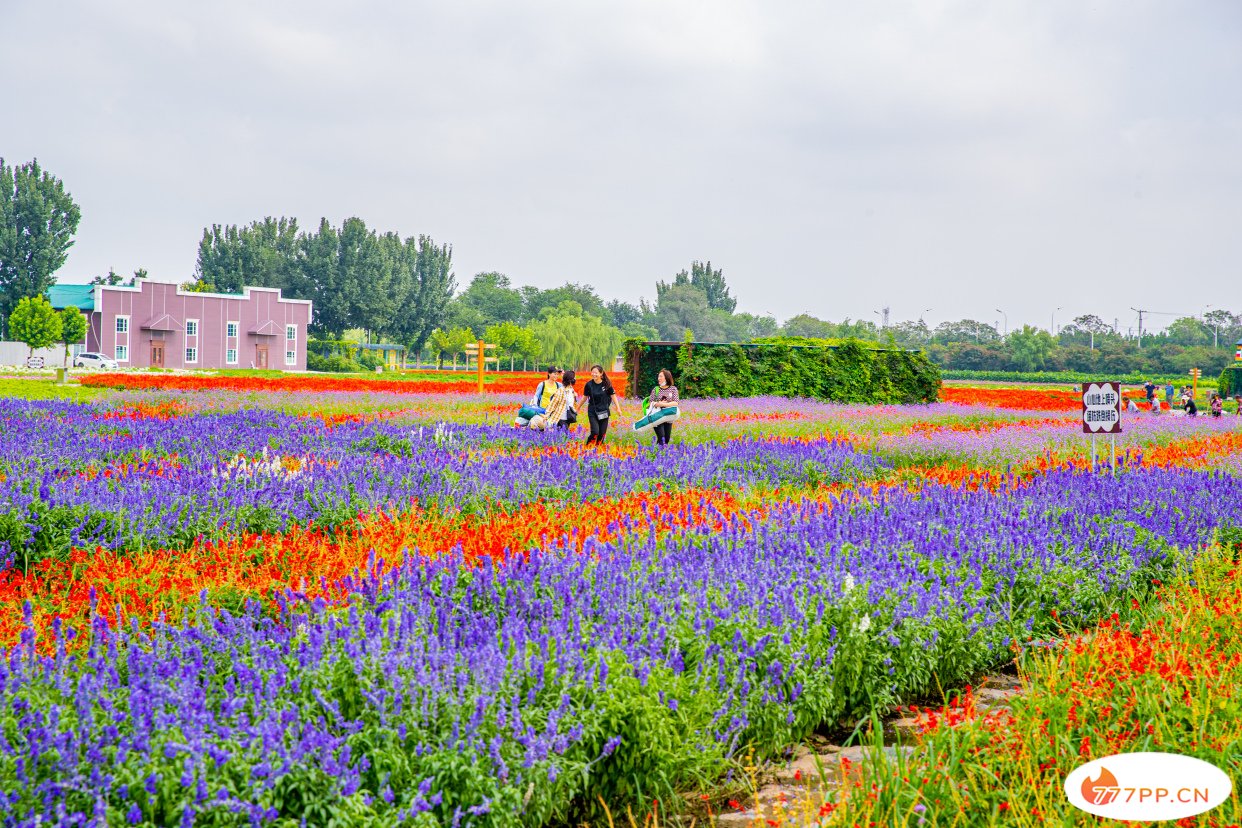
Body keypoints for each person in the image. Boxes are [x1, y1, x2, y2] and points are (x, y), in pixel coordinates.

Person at [576, 364, 625, 446]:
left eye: (596, 373)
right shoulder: (589, 385)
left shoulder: (606, 384)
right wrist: (578, 408)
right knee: (595, 432)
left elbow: (613, 396)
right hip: (593, 411)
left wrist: (618, 408)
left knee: (602, 434)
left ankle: (597, 450)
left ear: (601, 373)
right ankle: (587, 447)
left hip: (604, 411)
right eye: (592, 372)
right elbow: (584, 398)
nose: (594, 374)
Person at [647, 368, 680, 445]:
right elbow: (650, 402)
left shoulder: (673, 389)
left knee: (667, 439)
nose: (659, 378)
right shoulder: (656, 389)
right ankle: (657, 454)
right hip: (657, 415)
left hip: (668, 416)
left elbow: (676, 402)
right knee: (661, 437)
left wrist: (663, 404)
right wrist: (657, 403)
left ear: (666, 377)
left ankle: (660, 454)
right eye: (658, 376)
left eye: (661, 376)